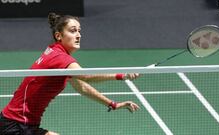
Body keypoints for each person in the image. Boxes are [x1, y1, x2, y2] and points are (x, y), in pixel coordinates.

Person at [0, 12, 140, 135]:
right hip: (17, 124)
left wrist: (112, 104)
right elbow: (86, 76)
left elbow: (82, 87)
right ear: (58, 35)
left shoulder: (55, 53)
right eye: (73, 31)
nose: (78, 35)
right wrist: (121, 75)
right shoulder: (59, 57)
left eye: (79, 31)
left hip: (20, 122)